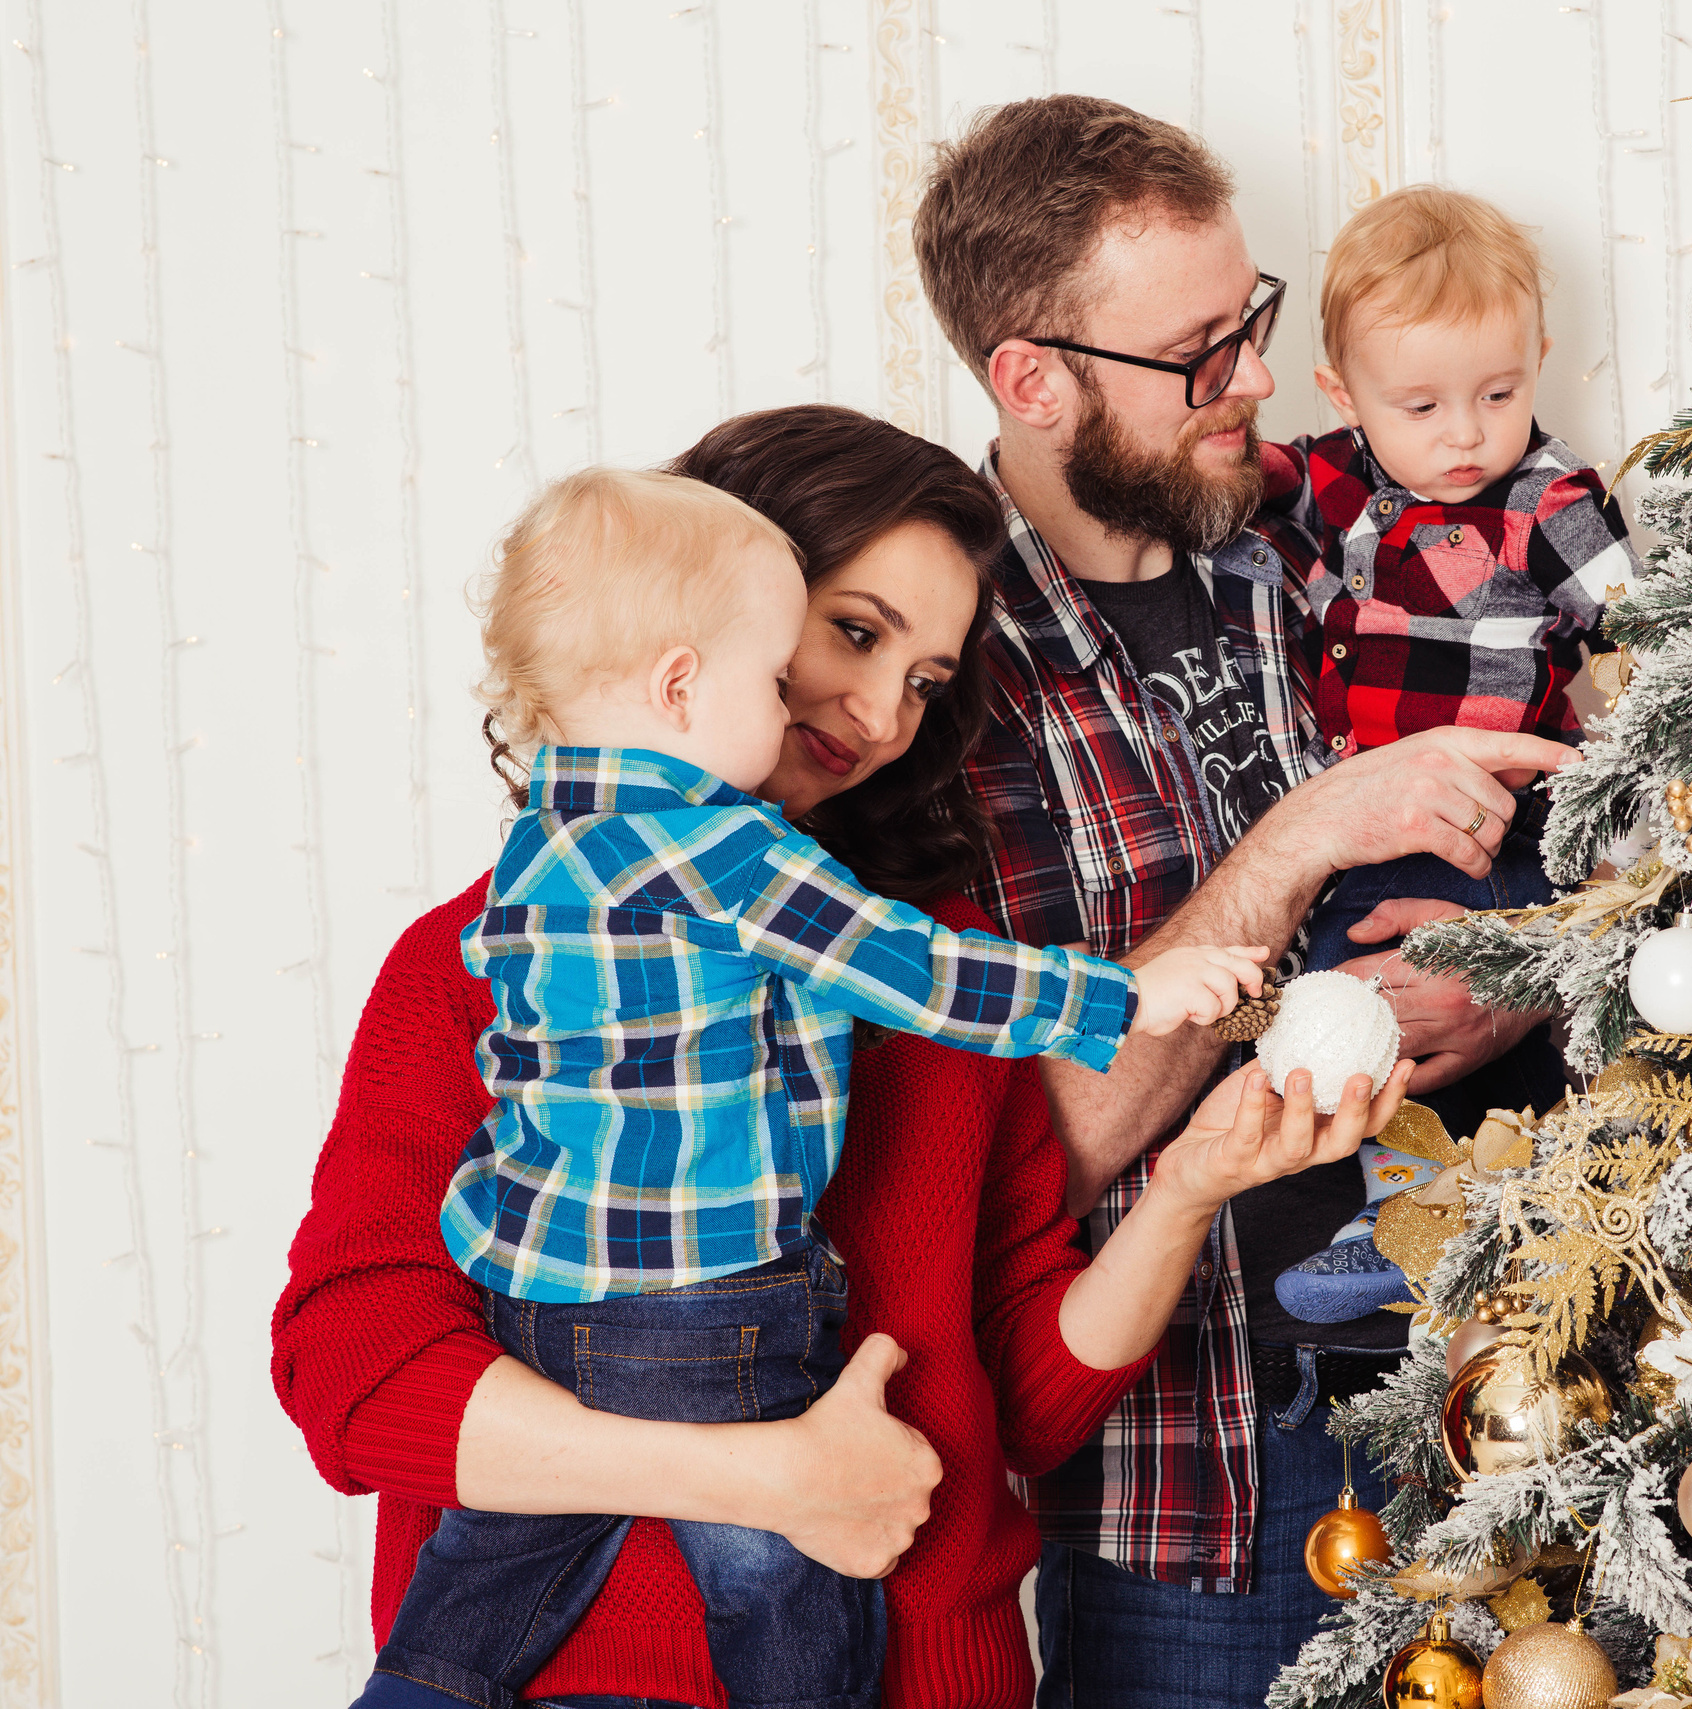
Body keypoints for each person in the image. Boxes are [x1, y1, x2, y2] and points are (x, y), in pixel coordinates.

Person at [275, 404, 1412, 1709]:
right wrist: (763, 1480)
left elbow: (1018, 1401)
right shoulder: (481, 956)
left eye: (926, 680)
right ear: (702, 625)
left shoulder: (948, 963)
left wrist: (1189, 1189)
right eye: (854, 634)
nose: (880, 715)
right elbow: (354, 1375)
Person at [911, 97, 1577, 1705]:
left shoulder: (1322, 535)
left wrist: (1534, 967)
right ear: (1032, 377)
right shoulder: (933, 675)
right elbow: (1031, 1149)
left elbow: (1599, 791)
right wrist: (1291, 844)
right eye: (1202, 354)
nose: (1262, 382)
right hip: (1212, 1478)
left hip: (1495, 1376)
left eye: (1254, 321)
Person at [1267, 185, 1636, 1321]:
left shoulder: (1550, 501)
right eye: (1419, 404)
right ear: (1343, 396)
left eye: (1499, 391)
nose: (1465, 432)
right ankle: (1403, 1200)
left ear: (1539, 359)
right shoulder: (1330, 480)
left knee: (1474, 1009)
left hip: (1495, 817)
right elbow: (1229, 496)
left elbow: (1649, 631)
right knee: (1338, 988)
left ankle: (1452, 1208)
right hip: (1364, 814)